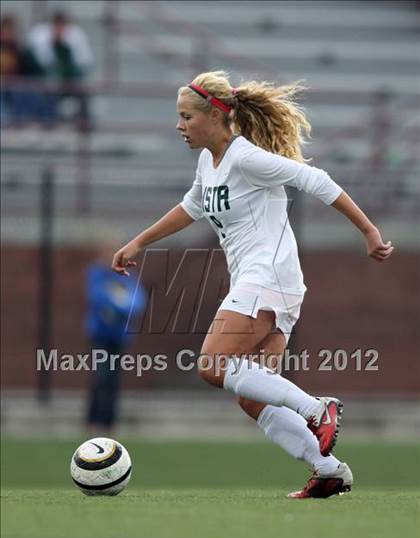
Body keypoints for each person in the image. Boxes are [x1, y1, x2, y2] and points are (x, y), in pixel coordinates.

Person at [111, 70, 394, 499]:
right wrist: (139, 242)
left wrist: (369, 231)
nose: (179, 125)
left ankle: (317, 409)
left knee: (212, 365)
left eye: (186, 116)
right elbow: (192, 207)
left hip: (268, 277)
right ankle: (329, 469)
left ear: (214, 115)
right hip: (269, 282)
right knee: (253, 395)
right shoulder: (209, 161)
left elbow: (315, 180)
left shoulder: (246, 157)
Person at [86, 245, 147, 433]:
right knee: (101, 377)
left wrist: (120, 304)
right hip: (101, 335)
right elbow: (98, 298)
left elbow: (137, 301)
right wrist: (119, 302)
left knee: (114, 379)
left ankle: (109, 423)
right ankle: (94, 420)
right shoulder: (96, 274)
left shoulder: (126, 275)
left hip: (120, 336)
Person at [25, 10, 93, 129]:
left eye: (62, 26)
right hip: (46, 84)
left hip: (66, 83)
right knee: (45, 92)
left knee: (82, 94)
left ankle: (84, 125)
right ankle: (49, 124)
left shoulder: (69, 46)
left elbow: (78, 69)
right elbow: (40, 67)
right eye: (57, 26)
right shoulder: (41, 41)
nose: (59, 30)